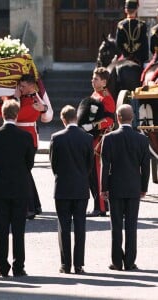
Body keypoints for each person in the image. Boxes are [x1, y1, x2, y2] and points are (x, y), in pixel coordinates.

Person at [0, 99, 35, 277]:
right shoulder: (26, 136)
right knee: (18, 229)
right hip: (20, 185)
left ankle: (2, 266)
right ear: (17, 114)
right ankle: (19, 266)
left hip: (0, 186)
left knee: (2, 230)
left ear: (2, 114)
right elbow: (30, 162)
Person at [101, 104, 150, 271]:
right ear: (133, 118)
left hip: (115, 187)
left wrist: (103, 188)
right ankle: (130, 261)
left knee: (116, 226)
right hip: (134, 187)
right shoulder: (142, 139)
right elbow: (146, 166)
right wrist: (144, 187)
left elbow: (105, 165)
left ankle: (116, 261)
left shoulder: (109, 138)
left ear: (118, 117)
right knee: (131, 225)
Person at [49, 105, 94, 274]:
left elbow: (54, 164)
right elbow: (90, 165)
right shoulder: (87, 138)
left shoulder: (56, 138)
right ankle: (79, 264)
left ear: (63, 119)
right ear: (76, 118)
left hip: (62, 187)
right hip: (81, 186)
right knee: (80, 226)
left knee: (64, 227)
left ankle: (65, 264)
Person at [80, 67, 115, 217]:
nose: (92, 81)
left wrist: (93, 126)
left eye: (96, 79)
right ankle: (99, 205)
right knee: (91, 175)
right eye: (93, 78)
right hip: (91, 137)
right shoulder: (96, 93)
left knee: (97, 174)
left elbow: (109, 120)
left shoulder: (106, 97)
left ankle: (100, 207)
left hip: (99, 140)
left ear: (104, 82)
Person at [14, 74, 49, 218]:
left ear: (31, 86)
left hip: (28, 140)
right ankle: (35, 204)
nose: (20, 89)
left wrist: (15, 99)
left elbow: (17, 115)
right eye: (19, 86)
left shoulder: (35, 99)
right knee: (26, 173)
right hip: (20, 138)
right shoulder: (24, 97)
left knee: (24, 173)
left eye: (23, 86)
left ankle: (30, 207)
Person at [116, 0, 149, 66]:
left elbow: (118, 44)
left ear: (126, 10)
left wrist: (125, 54)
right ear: (136, 9)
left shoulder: (121, 25)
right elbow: (145, 44)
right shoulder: (142, 25)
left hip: (125, 57)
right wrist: (145, 58)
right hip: (139, 59)